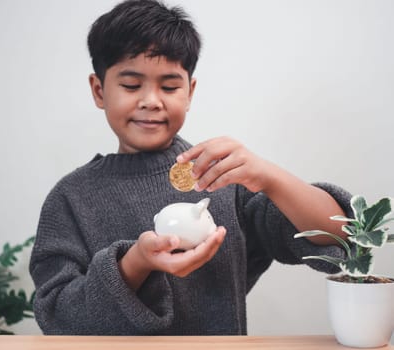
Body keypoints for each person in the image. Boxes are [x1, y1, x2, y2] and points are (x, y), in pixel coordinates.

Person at [29, 0, 352, 335]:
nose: (152, 100)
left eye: (169, 86)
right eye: (131, 85)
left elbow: (342, 237)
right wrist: (136, 262)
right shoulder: (71, 198)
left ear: (189, 91)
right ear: (99, 90)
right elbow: (56, 315)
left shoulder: (222, 177)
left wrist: (269, 177)